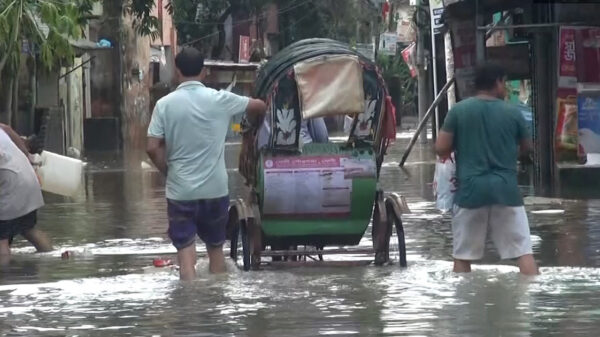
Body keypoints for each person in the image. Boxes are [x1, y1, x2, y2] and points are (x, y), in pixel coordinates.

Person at [146, 47, 267, 281]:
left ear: (177, 72)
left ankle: (191, 308)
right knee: (216, 252)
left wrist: (168, 171)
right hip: (215, 190)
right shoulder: (221, 99)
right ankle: (216, 306)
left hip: (180, 191)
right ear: (204, 72)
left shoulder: (164, 105)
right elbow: (259, 106)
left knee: (186, 258)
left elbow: (152, 147)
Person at [435, 63, 539, 276]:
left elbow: (441, 148)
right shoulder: (513, 113)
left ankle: (464, 304)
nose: (506, 89)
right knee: (523, 253)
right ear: (498, 82)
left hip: (470, 192)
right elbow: (527, 149)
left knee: (462, 255)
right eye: (505, 83)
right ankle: (530, 302)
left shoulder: (459, 111)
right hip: (506, 190)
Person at [0, 123, 52, 264]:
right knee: (29, 229)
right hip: (28, 175)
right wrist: (27, 156)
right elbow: (7, 129)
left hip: (10, 183)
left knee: (1, 239)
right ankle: (51, 258)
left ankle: (4, 273)